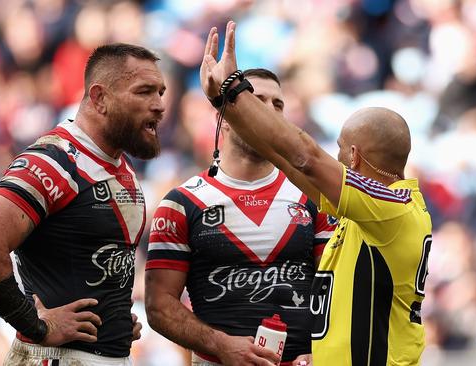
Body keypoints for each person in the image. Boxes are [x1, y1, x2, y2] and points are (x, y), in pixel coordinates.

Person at [199, 22, 433, 366]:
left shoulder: (389, 207)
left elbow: (305, 158)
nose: (334, 157)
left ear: (354, 156)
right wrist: (224, 103)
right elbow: (287, 161)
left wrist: (236, 90)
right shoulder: (370, 213)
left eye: (339, 149)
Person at [0, 43, 166, 365]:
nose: (159, 105)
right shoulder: (55, 162)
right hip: (56, 357)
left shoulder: (119, 166)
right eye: (144, 92)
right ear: (99, 98)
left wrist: (116, 320)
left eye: (160, 93)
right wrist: (35, 325)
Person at [144, 68, 337, 366]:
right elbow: (159, 306)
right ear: (225, 118)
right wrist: (220, 345)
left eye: (278, 104)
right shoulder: (182, 203)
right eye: (256, 100)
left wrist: (325, 351)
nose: (269, 111)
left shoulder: (314, 198)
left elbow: (337, 288)